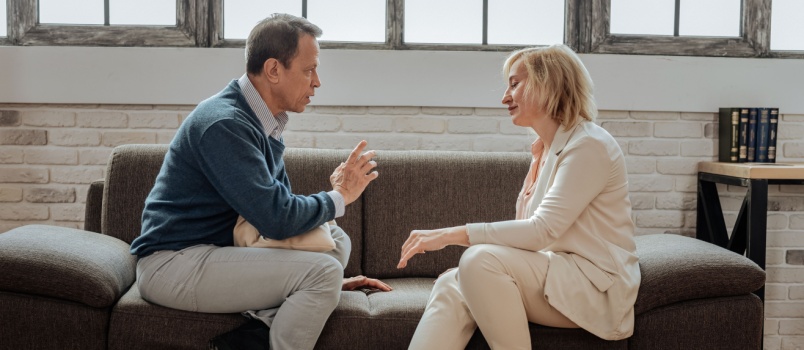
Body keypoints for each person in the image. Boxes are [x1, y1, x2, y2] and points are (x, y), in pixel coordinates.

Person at [131, 13, 391, 350]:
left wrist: (312, 275)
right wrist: (338, 195)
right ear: (273, 70)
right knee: (324, 270)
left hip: (218, 252)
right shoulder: (224, 124)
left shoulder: (261, 121)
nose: (317, 82)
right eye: (309, 70)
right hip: (174, 263)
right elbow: (276, 219)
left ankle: (256, 331)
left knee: (336, 242)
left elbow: (277, 208)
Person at [397, 44, 641, 349]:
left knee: (478, 260)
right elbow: (529, 240)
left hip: (595, 287)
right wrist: (468, 273)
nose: (505, 97)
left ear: (547, 84)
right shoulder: (544, 149)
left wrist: (447, 236)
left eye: (514, 84)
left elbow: (541, 231)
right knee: (452, 281)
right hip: (558, 273)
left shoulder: (589, 146)